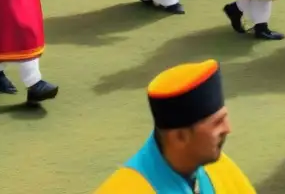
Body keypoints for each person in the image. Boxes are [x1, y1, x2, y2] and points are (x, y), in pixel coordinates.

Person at [93, 59, 256, 193]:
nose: (228, 129)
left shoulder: (219, 168)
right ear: (180, 137)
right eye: (217, 123)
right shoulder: (126, 189)